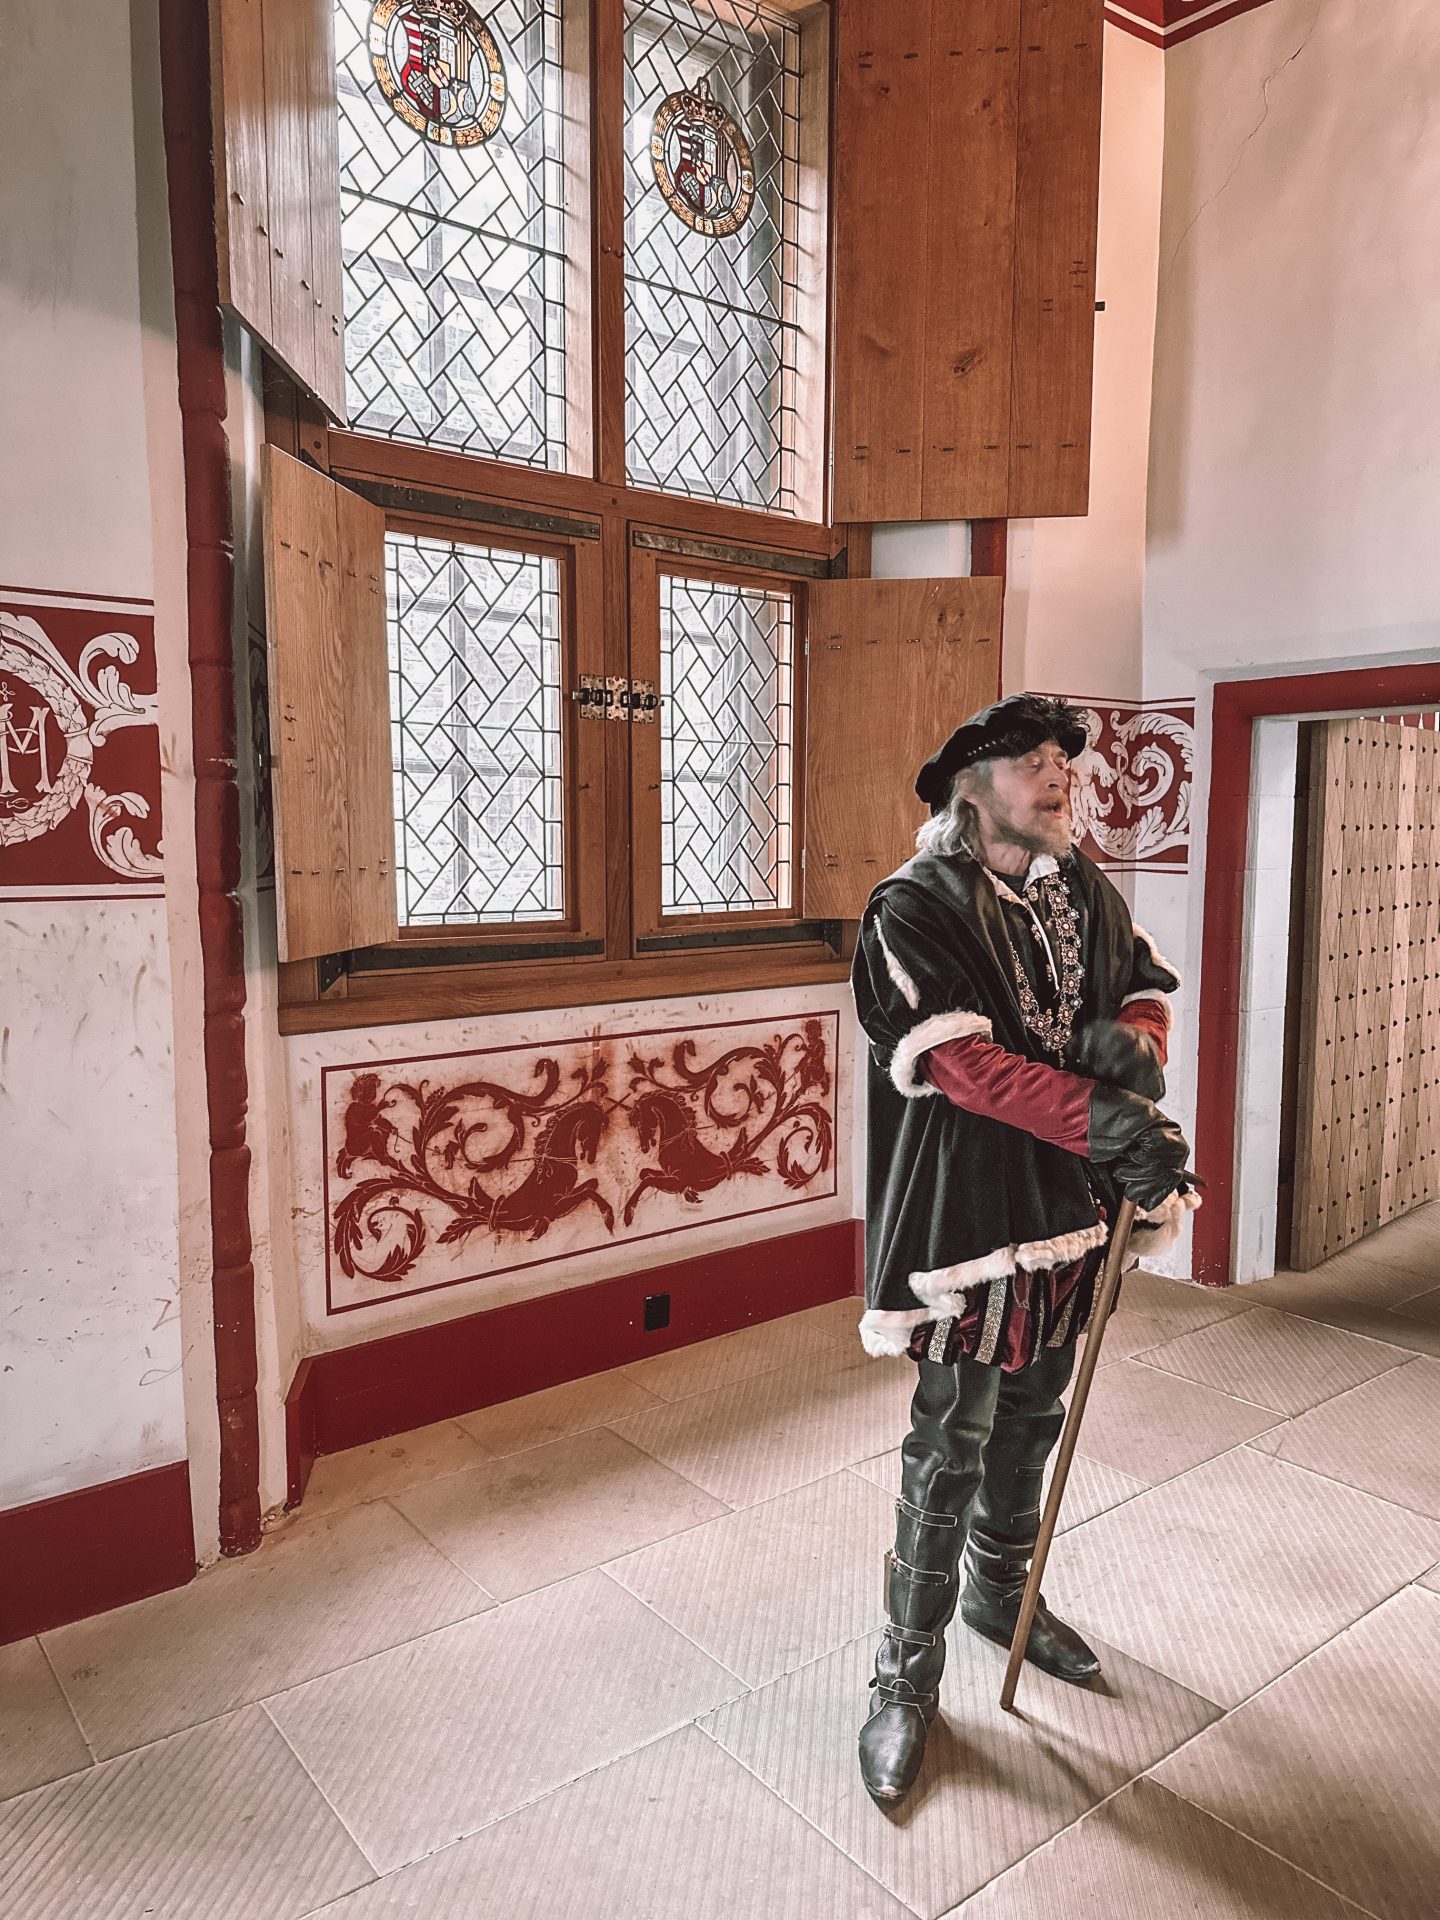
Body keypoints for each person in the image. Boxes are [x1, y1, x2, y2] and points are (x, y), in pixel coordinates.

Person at [850, 692, 1198, 1808]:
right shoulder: (914, 905)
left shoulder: (1081, 886)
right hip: (970, 1205)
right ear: (970, 785)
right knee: (950, 1434)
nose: (1061, 777)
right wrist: (1117, 1123)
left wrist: (1130, 1065)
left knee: (1035, 1413)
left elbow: (1142, 990)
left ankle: (1003, 1597)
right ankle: (904, 1679)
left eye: (1065, 761)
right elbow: (964, 1069)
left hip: (1075, 1198)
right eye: (1034, 761)